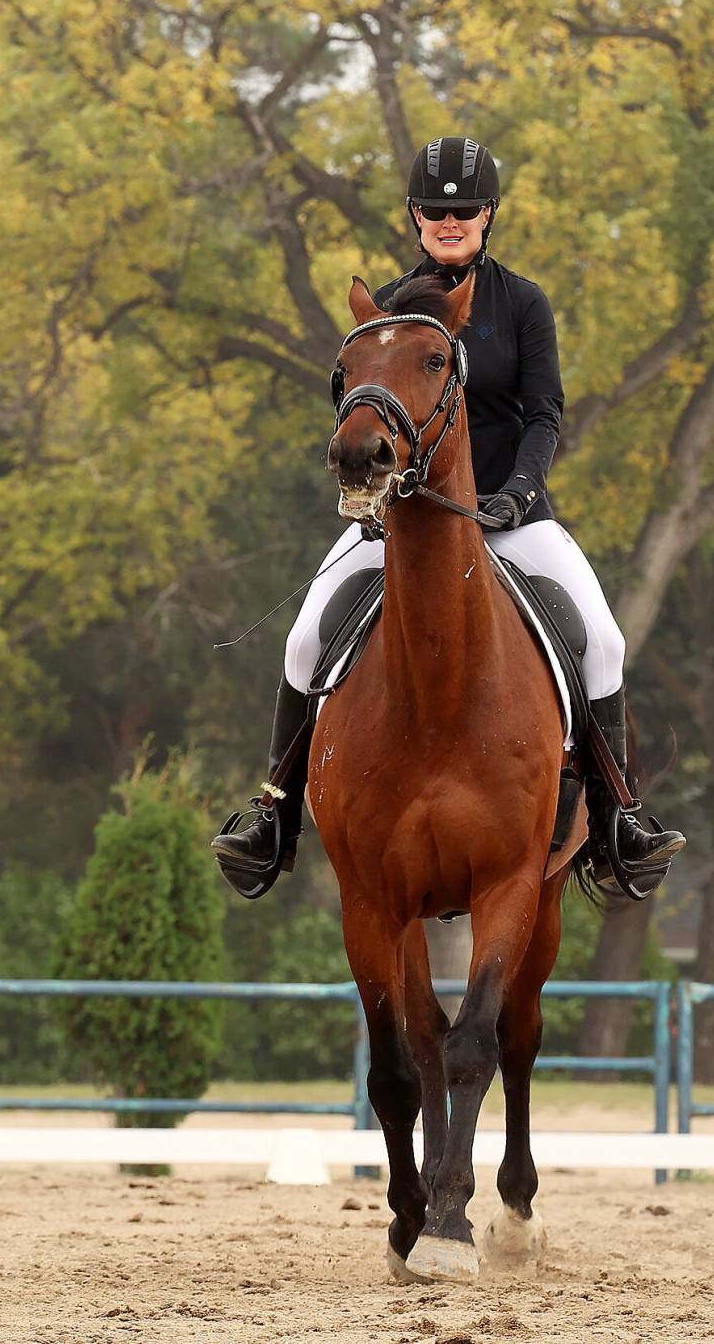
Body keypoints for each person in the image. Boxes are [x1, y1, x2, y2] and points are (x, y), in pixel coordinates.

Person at [212, 136, 685, 897]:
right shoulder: (389, 312)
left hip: (514, 515)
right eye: (436, 210)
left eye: (465, 209)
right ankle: (274, 813)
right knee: (304, 638)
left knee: (602, 638)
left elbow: (544, 413)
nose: (451, 219)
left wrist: (520, 494)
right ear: (416, 217)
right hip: (406, 520)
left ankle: (620, 817)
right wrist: (375, 489)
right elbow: (361, 406)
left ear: (488, 214)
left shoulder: (523, 303)